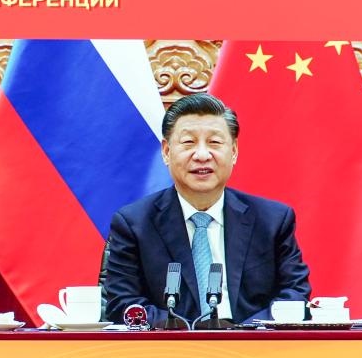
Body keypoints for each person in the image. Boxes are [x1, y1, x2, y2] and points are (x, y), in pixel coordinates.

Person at [102, 93, 311, 327]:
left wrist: (243, 333)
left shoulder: (273, 221)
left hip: (254, 344)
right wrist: (189, 331)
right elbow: (123, 303)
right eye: (188, 142)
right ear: (166, 152)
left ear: (234, 151)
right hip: (168, 346)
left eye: (214, 142)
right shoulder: (134, 224)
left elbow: (295, 295)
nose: (202, 155)